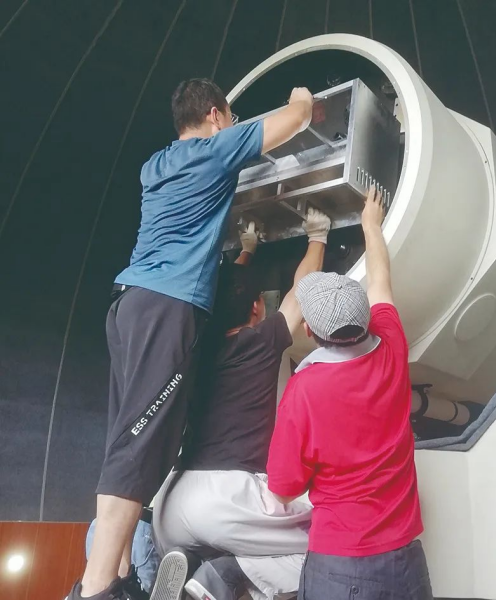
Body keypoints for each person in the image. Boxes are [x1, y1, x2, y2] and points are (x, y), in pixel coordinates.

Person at [68, 78, 315, 600]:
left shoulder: (154, 165)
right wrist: (300, 97)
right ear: (215, 115)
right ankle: (96, 589)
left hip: (129, 303)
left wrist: (244, 247)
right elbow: (297, 120)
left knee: (131, 440)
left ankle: (119, 575)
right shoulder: (215, 149)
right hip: (168, 305)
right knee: (139, 443)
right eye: (231, 117)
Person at [150, 208, 332, 600]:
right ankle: (224, 572)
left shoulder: (194, 348)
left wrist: (248, 249)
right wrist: (318, 235)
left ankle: (189, 572)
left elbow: (227, 292)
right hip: (224, 500)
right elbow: (301, 294)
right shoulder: (259, 342)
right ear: (256, 307)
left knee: (231, 550)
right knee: (334, 535)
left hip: (171, 504)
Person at [267, 188, 434, 600]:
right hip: (406, 558)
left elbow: (284, 489)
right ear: (366, 317)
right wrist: (371, 224)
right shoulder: (392, 344)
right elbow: (380, 280)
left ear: (310, 331)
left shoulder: (304, 391)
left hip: (341, 566)